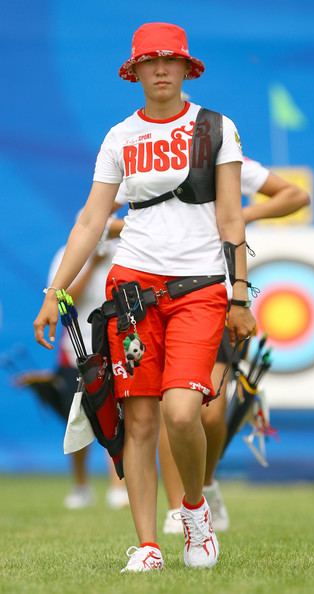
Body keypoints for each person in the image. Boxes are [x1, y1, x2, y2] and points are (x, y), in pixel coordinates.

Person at [34, 22, 256, 572]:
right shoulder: (118, 137)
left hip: (201, 287)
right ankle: (149, 546)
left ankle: (195, 514)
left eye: (171, 60)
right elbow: (91, 221)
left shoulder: (216, 128)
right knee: (137, 421)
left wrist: (240, 294)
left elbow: (231, 217)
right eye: (149, 62)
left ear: (186, 68)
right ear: (133, 73)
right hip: (131, 289)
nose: (161, 70)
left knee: (183, 412)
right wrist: (54, 293)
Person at [150, 157, 310, 533]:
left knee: (210, 412)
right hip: (161, 295)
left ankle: (205, 484)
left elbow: (296, 196)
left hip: (215, 299)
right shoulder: (149, 156)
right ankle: (177, 509)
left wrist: (241, 217)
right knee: (169, 406)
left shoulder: (224, 158)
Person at [48, 225, 130, 510]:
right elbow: (64, 299)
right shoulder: (66, 255)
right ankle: (81, 486)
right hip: (76, 351)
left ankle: (118, 486)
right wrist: (91, 262)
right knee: (79, 418)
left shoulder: (125, 252)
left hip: (115, 347)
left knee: (117, 417)